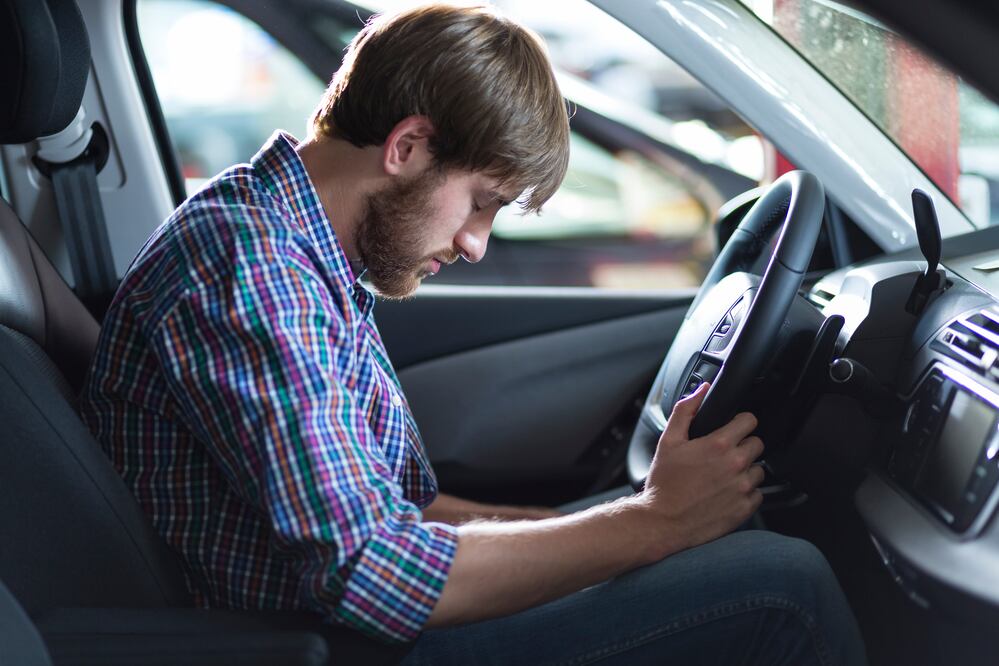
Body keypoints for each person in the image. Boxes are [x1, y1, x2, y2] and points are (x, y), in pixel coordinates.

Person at [80, 3, 866, 664]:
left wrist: (623, 521)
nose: (474, 245)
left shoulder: (293, 245)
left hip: (336, 624)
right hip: (316, 643)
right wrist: (652, 523)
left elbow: (403, 509)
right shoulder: (252, 269)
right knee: (781, 583)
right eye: (482, 202)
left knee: (720, 542)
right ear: (408, 146)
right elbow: (370, 571)